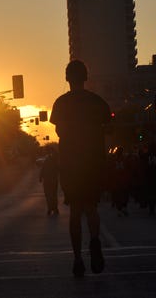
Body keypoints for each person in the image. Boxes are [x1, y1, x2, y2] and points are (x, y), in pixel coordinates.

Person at [50, 60, 111, 277]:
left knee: (75, 210)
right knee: (92, 207)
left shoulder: (61, 103)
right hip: (93, 162)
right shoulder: (97, 102)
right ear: (86, 77)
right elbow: (107, 124)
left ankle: (77, 258)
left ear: (67, 78)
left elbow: (58, 130)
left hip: (71, 164)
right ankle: (95, 241)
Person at [39, 147, 60, 216]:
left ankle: (51, 208)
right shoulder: (54, 160)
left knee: (49, 195)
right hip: (52, 180)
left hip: (49, 181)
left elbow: (43, 169)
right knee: (53, 195)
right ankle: (54, 208)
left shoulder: (48, 160)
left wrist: (40, 177)